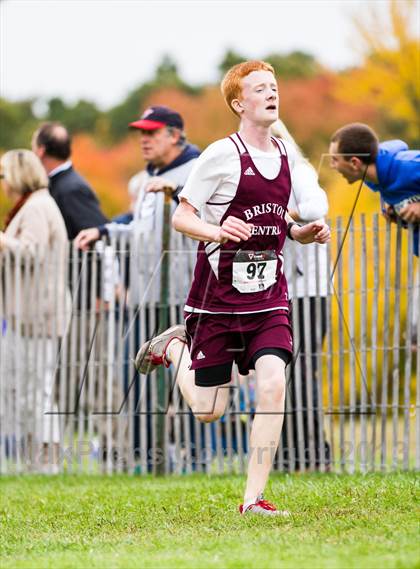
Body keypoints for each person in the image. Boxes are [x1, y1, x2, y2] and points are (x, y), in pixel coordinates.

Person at [135, 60, 330, 515]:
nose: (271, 93)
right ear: (239, 103)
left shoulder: (285, 155)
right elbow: (182, 216)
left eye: (274, 86)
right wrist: (218, 231)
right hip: (217, 301)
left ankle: (253, 499)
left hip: (268, 298)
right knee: (209, 409)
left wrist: (300, 233)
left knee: (273, 383)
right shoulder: (222, 155)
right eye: (260, 88)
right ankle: (176, 349)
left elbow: (278, 218)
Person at [74, 106, 200, 470]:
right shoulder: (144, 178)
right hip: (147, 298)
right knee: (140, 377)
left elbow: (210, 213)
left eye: (152, 132)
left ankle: (196, 462)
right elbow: (138, 227)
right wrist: (104, 230)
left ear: (175, 135)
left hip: (187, 297)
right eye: (141, 133)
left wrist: (175, 191)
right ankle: (149, 462)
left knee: (192, 381)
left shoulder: (199, 169)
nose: (143, 139)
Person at [0, 149, 70, 473]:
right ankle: (36, 458)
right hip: (26, 316)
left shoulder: (37, 207)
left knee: (37, 390)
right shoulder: (32, 205)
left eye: (4, 175)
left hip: (37, 317)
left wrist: (2, 241)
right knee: (25, 389)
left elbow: (31, 254)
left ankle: (47, 461)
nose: (2, 182)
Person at [271, 119, 331, 471]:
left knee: (301, 372)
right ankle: (285, 452)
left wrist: (283, 214)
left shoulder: (300, 170)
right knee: (277, 373)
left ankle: (312, 452)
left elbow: (315, 208)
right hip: (279, 292)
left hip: (308, 292)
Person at [329, 123, 420, 255]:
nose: (332, 166)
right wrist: (400, 215)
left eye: (335, 159)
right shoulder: (376, 181)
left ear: (355, 163)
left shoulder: (410, 165)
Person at [32, 122, 108, 241]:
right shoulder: (60, 183)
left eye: (33, 148)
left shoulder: (72, 189)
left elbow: (96, 237)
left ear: (41, 151)